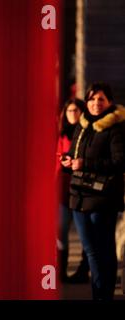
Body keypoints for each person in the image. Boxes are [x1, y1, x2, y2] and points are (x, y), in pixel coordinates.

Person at [62, 82, 125, 300]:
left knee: (103, 249)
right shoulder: (83, 124)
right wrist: (67, 161)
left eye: (101, 99)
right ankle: (98, 293)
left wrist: (85, 163)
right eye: (92, 99)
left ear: (109, 102)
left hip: (102, 197)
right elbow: (73, 153)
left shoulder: (115, 127)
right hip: (78, 196)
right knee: (90, 250)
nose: (96, 103)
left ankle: (102, 295)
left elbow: (119, 162)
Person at [56, 98, 89, 283]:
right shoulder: (61, 134)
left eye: (76, 110)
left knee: (85, 233)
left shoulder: (86, 133)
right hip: (62, 188)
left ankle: (83, 270)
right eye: (69, 111)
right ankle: (61, 271)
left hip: (81, 189)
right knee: (60, 231)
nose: (73, 114)